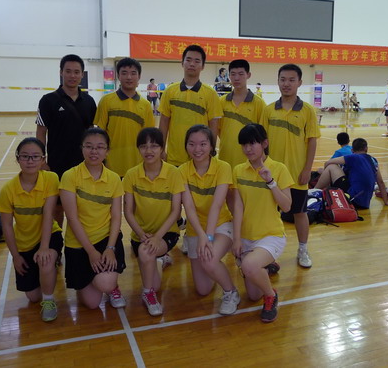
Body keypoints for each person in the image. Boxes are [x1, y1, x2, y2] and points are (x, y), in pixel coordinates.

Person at [59, 128, 127, 310]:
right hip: (79, 243)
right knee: (92, 304)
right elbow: (72, 218)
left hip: (105, 239)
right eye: (89, 146)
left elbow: (116, 217)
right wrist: (91, 252)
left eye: (100, 147)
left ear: (107, 151)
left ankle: (112, 286)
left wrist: (110, 248)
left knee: (106, 283)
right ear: (81, 148)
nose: (94, 151)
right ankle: (90, 280)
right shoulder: (69, 176)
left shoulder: (114, 178)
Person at [231, 123, 293, 323]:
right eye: (244, 145)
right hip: (247, 236)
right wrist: (237, 239)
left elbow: (287, 206)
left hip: (270, 235)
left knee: (249, 267)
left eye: (252, 143)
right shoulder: (238, 170)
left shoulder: (279, 169)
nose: (248, 149)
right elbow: (238, 207)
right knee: (252, 295)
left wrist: (271, 182)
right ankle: (265, 266)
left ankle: (271, 295)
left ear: (264, 143)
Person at [0, 138, 63, 322]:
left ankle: (49, 301)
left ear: (43, 159)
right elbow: (7, 226)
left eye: (35, 156)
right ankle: (45, 275)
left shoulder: (51, 178)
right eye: (25, 156)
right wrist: (15, 256)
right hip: (24, 243)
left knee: (46, 260)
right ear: (18, 159)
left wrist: (44, 247)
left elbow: (49, 213)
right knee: (33, 297)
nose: (30, 161)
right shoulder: (7, 190)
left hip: (49, 235)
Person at [261, 64, 319, 268]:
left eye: (291, 80)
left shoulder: (307, 111)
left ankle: (303, 249)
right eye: (283, 79)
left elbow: (312, 141)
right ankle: (268, 254)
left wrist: (307, 169)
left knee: (299, 212)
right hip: (272, 174)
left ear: (299, 83)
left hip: (296, 173)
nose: (286, 84)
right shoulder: (268, 110)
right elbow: (262, 142)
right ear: (278, 81)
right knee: (270, 213)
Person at [122, 127, 184, 316]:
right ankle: (160, 260)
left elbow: (176, 211)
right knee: (148, 256)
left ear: (162, 148)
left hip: (166, 233)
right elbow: (128, 211)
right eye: (143, 146)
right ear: (138, 149)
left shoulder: (174, 173)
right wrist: (141, 234)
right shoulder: (131, 174)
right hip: (141, 235)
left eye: (154, 146)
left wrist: (157, 237)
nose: (149, 151)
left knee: (146, 252)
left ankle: (147, 293)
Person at [180, 125, 240, 315]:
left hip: (220, 225)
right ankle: (216, 269)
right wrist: (201, 235)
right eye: (192, 144)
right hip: (196, 230)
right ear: (186, 146)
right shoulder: (181, 171)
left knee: (209, 260)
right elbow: (189, 207)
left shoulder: (223, 167)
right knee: (203, 289)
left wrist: (209, 237)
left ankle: (231, 292)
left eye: (203, 144)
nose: (197, 149)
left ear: (212, 146)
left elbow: (217, 204)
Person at [36, 54, 97, 224]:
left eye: (76, 72)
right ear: (61, 72)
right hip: (57, 164)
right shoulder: (48, 100)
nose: (72, 75)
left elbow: (91, 132)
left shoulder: (89, 101)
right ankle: (56, 239)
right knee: (57, 207)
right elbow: (41, 131)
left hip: (82, 164)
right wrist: (42, 161)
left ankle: (76, 240)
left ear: (82, 74)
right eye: (68, 71)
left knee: (81, 205)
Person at [159, 45, 223, 167]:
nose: (192, 64)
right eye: (188, 60)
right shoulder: (170, 91)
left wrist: (210, 151)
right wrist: (161, 149)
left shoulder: (210, 94)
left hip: (199, 159)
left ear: (203, 66)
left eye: (197, 61)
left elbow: (213, 125)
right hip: (174, 159)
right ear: (182, 63)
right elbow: (164, 122)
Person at [93, 57, 155, 178]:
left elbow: (148, 138)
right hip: (110, 166)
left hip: (137, 166)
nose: (129, 77)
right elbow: (99, 134)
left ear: (139, 76)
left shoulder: (146, 105)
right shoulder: (106, 101)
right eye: (124, 73)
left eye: (133, 73)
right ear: (118, 76)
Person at [315, 138, 388, 209]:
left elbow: (328, 163)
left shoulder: (353, 157)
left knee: (332, 167)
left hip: (351, 199)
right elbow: (380, 182)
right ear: (366, 149)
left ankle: (314, 191)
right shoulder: (374, 160)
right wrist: (386, 201)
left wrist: (325, 174)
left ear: (352, 150)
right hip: (365, 203)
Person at [218, 59, 265, 168]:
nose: (236, 78)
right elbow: (218, 129)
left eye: (241, 74)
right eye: (233, 74)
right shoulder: (221, 102)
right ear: (229, 76)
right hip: (225, 159)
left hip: (249, 162)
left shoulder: (259, 104)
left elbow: (262, 134)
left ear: (248, 75)